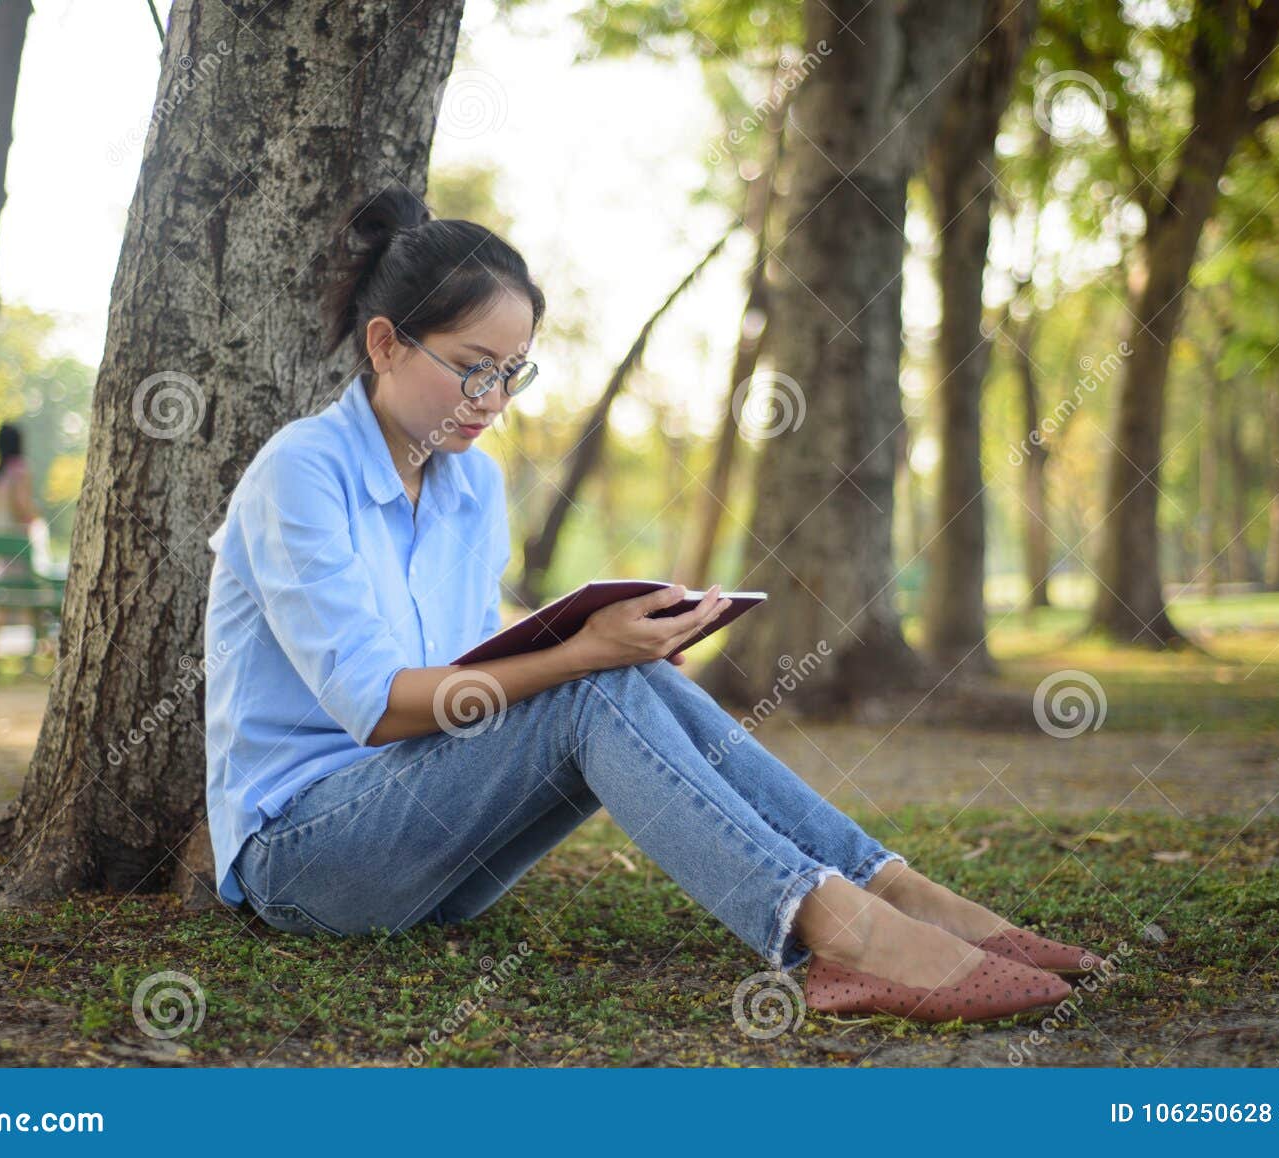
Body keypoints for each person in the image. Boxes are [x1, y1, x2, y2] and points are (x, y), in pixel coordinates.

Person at [203, 188, 1104, 1024]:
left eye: (514, 374)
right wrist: (580, 656)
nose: (494, 402)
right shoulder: (301, 472)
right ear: (385, 345)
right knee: (592, 683)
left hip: (436, 854)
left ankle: (895, 890)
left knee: (620, 679)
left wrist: (612, 647)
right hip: (307, 862)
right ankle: (849, 935)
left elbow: (473, 675)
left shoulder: (470, 486)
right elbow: (380, 706)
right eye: (473, 370)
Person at [0, 422, 40, 672]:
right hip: (17, 541)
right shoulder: (19, 470)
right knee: (27, 593)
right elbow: (21, 505)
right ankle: (34, 652)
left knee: (5, 595)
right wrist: (37, 517)